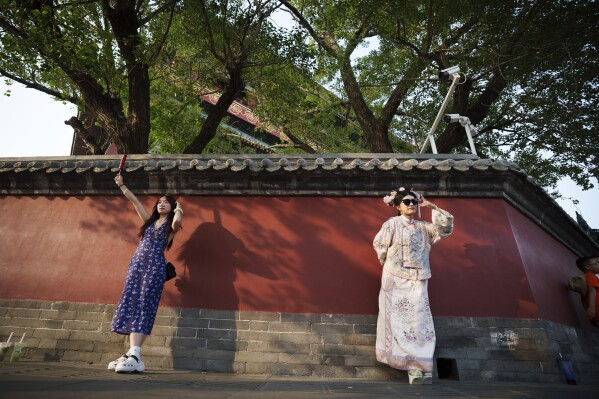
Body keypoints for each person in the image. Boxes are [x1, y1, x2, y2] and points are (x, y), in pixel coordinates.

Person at [373, 187, 453, 384]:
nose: (411, 205)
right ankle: (411, 368)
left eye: (414, 202)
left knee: (420, 320)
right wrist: (392, 261)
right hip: (395, 279)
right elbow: (379, 245)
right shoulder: (391, 225)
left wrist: (431, 206)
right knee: (398, 320)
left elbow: (445, 228)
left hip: (418, 278)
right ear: (398, 206)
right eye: (407, 202)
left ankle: (422, 364)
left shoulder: (425, 228)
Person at [108, 173, 183, 373]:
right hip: (137, 266)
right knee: (131, 303)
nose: (161, 205)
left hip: (154, 268)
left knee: (144, 304)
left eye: (166, 203)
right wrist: (122, 185)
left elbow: (177, 223)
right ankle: (130, 353)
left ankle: (136, 354)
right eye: (159, 202)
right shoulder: (149, 222)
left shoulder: (170, 227)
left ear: (172, 206)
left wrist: (179, 210)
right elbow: (134, 201)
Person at [570, 256, 599, 325]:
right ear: (587, 266)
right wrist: (592, 307)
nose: (598, 266)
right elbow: (592, 290)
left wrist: (588, 310)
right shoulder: (590, 276)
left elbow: (582, 300)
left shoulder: (585, 279)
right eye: (596, 264)